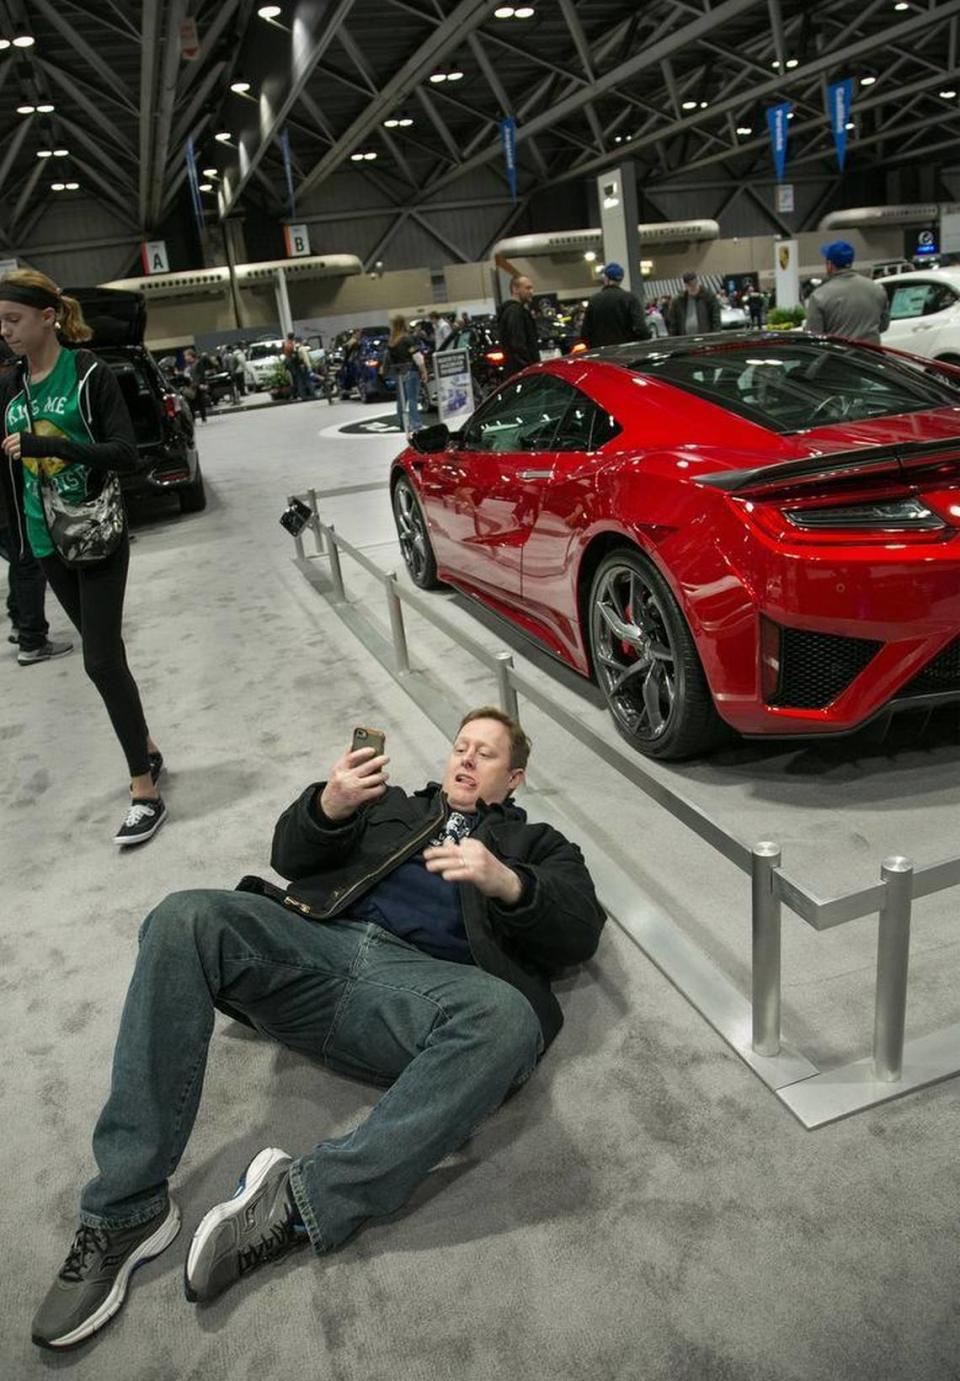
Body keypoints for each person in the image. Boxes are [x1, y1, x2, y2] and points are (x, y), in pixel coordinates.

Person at [31, 707, 604, 1350]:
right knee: (183, 917)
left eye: (487, 754)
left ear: (514, 778)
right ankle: (125, 1211)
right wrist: (327, 805)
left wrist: (506, 881)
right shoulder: (387, 804)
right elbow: (288, 857)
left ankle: (301, 1202)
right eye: (461, 746)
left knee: (506, 1022)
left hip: (420, 993)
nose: (467, 758)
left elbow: (579, 931)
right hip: (317, 950)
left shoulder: (539, 846)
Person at [0, 269, 167, 846]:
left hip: (95, 535)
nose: (6, 332)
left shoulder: (89, 373)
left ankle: (143, 788)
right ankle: (144, 745)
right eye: (0, 323)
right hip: (45, 543)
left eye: (13, 320)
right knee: (108, 656)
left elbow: (124, 451)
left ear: (48, 316)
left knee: (97, 660)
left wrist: (52, 444)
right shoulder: (11, 386)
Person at [803, 240, 890, 344]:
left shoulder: (819, 295)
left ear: (829, 265)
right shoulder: (877, 289)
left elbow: (814, 336)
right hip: (871, 357)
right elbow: (883, 325)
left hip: (839, 357)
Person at [581, 263, 651, 349]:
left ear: (606, 278)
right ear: (620, 279)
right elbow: (641, 328)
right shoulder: (630, 298)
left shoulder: (594, 300)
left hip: (600, 352)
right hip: (625, 351)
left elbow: (585, 332)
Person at [382, 314, 429, 435]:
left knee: (401, 399)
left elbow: (388, 358)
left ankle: (403, 422)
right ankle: (416, 424)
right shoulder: (407, 339)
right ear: (403, 324)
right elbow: (417, 356)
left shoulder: (391, 341)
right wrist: (423, 370)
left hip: (398, 373)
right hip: (411, 370)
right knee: (413, 399)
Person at [496, 275, 540, 378]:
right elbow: (517, 345)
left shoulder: (510, 311)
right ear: (515, 289)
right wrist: (530, 369)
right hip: (522, 372)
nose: (531, 292)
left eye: (532, 288)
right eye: (527, 288)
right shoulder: (516, 312)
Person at [666, 271, 722, 336]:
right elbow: (673, 323)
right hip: (685, 339)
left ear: (697, 283)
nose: (693, 288)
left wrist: (715, 336)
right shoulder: (679, 301)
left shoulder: (709, 297)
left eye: (694, 285)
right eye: (690, 286)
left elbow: (716, 319)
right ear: (686, 286)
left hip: (705, 338)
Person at [183, 348, 208, 422]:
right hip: (191, 386)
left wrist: (200, 383)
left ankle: (203, 417)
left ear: (191, 356)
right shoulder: (188, 365)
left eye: (186, 356)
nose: (185, 358)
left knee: (200, 402)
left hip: (197, 385)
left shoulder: (198, 363)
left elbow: (201, 374)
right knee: (191, 403)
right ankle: (193, 419)